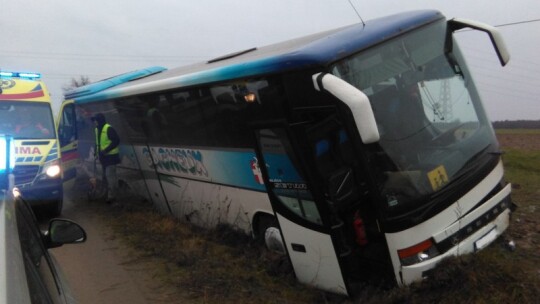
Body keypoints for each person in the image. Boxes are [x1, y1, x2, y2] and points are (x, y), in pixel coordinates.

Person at [91, 113, 120, 204]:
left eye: (95, 120)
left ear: (99, 120)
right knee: (105, 177)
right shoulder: (96, 129)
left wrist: (106, 150)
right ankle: (106, 194)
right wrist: (96, 152)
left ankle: (113, 197)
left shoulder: (108, 128)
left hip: (111, 157)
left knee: (110, 176)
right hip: (103, 157)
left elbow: (116, 141)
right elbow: (97, 143)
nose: (94, 122)